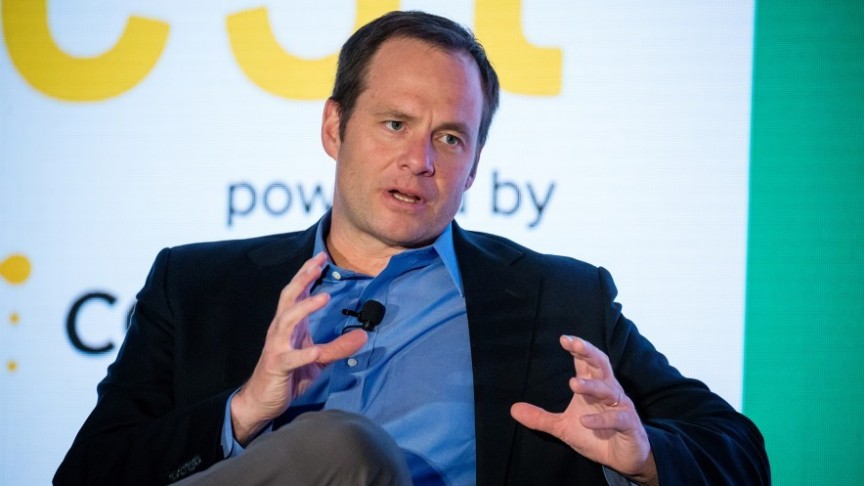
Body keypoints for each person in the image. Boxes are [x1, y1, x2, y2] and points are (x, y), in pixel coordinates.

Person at [55, 10, 769, 486]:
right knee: (338, 448)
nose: (420, 160)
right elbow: (89, 474)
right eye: (394, 124)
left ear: (475, 163)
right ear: (334, 128)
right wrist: (242, 410)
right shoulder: (197, 284)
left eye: (450, 138)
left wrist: (643, 455)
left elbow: (737, 450)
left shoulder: (559, 298)